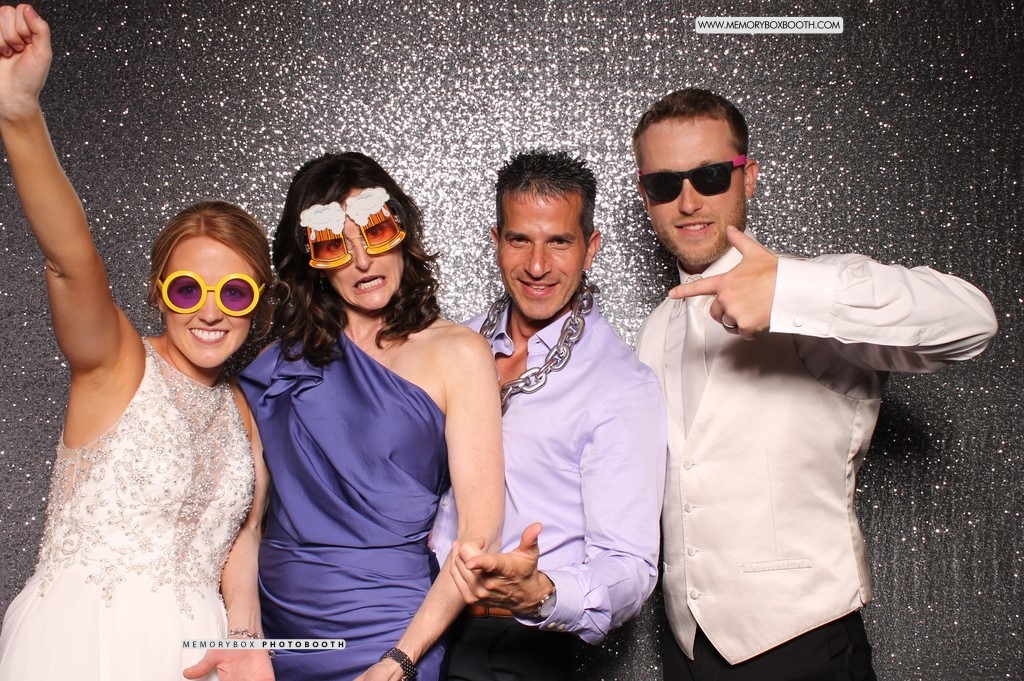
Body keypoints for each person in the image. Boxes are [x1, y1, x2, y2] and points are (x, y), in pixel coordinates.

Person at [631, 88, 998, 680]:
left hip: (801, 643)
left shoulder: (820, 289)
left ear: (749, 178)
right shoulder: (654, 329)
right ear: (645, 194)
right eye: (665, 184)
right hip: (687, 648)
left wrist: (792, 293)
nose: (689, 200)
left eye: (710, 175)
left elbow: (971, 323)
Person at [0, 5, 275, 681]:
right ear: (157, 293)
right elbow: (70, 261)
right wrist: (19, 114)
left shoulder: (241, 407)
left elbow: (242, 538)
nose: (209, 311)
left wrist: (247, 639)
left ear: (258, 303)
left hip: (198, 649)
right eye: (187, 289)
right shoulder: (116, 363)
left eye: (234, 292)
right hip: (89, 641)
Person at [231, 151, 504, 681]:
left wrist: (401, 659)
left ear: (401, 232)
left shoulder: (458, 353)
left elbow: (480, 534)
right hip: (276, 630)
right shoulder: (279, 363)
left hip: (392, 631)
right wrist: (243, 641)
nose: (362, 262)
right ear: (311, 258)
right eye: (336, 244)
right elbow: (246, 525)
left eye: (375, 234)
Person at [434, 150, 668, 680]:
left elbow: (630, 564)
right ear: (496, 242)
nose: (537, 266)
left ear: (591, 247)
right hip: (408, 619)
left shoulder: (621, 387)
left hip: (513, 645)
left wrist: (542, 593)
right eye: (520, 240)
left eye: (559, 242)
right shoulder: (448, 344)